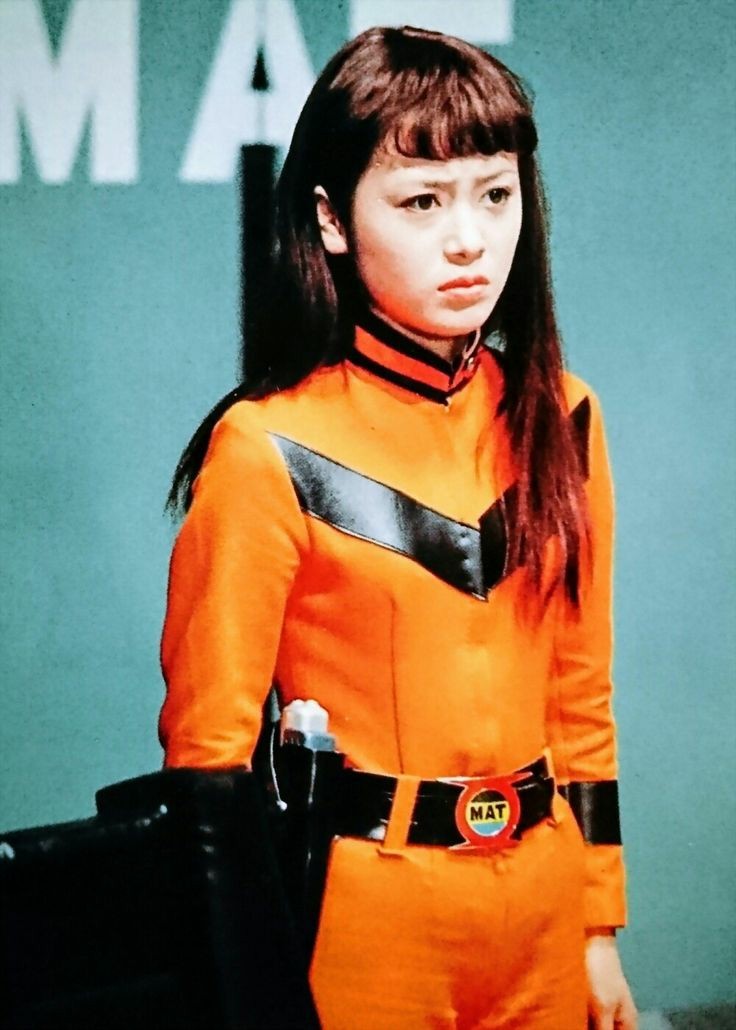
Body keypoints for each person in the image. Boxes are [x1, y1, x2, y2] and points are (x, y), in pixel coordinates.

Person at [159, 25, 638, 1030]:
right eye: (422, 201)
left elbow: (579, 696)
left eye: (494, 194)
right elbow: (208, 762)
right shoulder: (265, 446)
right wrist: (241, 981)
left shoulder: (563, 415)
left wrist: (598, 925)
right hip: (359, 927)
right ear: (331, 218)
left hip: (544, 915)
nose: (469, 239)